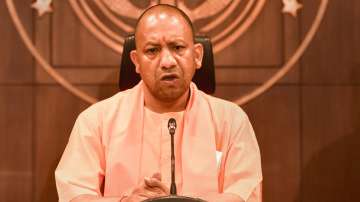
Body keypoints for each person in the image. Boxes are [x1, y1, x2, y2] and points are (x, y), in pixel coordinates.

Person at [55, 4, 262, 202]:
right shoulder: (97, 121)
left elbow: (244, 195)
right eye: (152, 50)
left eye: (178, 47)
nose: (167, 62)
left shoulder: (231, 120)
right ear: (136, 61)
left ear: (197, 56)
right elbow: (74, 195)